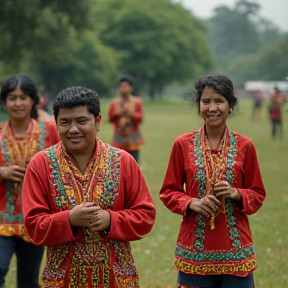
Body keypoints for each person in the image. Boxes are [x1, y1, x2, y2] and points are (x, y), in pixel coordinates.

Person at [22, 86, 156, 288]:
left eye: (81, 121)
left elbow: (145, 215)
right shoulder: (40, 164)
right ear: (56, 124)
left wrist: (111, 219)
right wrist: (69, 219)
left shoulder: (124, 161)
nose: (73, 129)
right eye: (65, 122)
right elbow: (33, 226)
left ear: (98, 121)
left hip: (116, 279)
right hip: (62, 280)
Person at [159, 75, 266, 288]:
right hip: (194, 251)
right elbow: (168, 191)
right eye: (206, 101)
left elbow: (258, 193)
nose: (212, 108)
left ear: (231, 105)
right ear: (198, 105)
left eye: (219, 101)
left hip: (236, 251)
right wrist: (191, 203)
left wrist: (236, 194)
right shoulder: (182, 144)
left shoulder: (246, 146)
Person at [0, 75, 59, 288]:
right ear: (4, 102)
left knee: (29, 280)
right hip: (2, 219)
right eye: (11, 98)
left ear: (33, 100)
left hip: (36, 218)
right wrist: (2, 171)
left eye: (23, 97)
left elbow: (66, 162)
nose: (17, 103)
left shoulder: (51, 131)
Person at [108, 75, 144, 163]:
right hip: (118, 137)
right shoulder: (115, 103)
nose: (123, 88)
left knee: (133, 162)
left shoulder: (137, 102)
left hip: (133, 138)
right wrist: (117, 113)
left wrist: (131, 114)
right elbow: (110, 118)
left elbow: (140, 118)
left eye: (125, 86)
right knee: (117, 164)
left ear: (131, 88)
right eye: (121, 86)